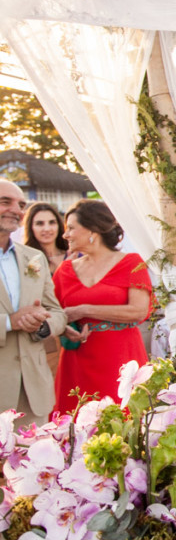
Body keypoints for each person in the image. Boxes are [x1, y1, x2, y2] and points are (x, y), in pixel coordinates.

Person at [52, 199, 152, 415]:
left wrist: (84, 310)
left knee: (123, 424)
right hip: (76, 360)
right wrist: (63, 327)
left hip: (121, 359)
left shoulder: (132, 263)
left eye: (70, 228)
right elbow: (53, 313)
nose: (65, 235)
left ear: (92, 230)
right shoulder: (65, 270)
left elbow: (138, 311)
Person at [0, 181, 67, 425]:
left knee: (35, 462)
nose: (15, 210)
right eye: (5, 202)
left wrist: (42, 325)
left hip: (33, 392)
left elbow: (57, 312)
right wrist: (10, 322)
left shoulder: (33, 257)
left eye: (20, 205)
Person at [22, 202, 70, 275]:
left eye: (52, 222)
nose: (47, 229)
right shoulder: (24, 260)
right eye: (40, 223)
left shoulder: (74, 256)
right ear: (30, 228)